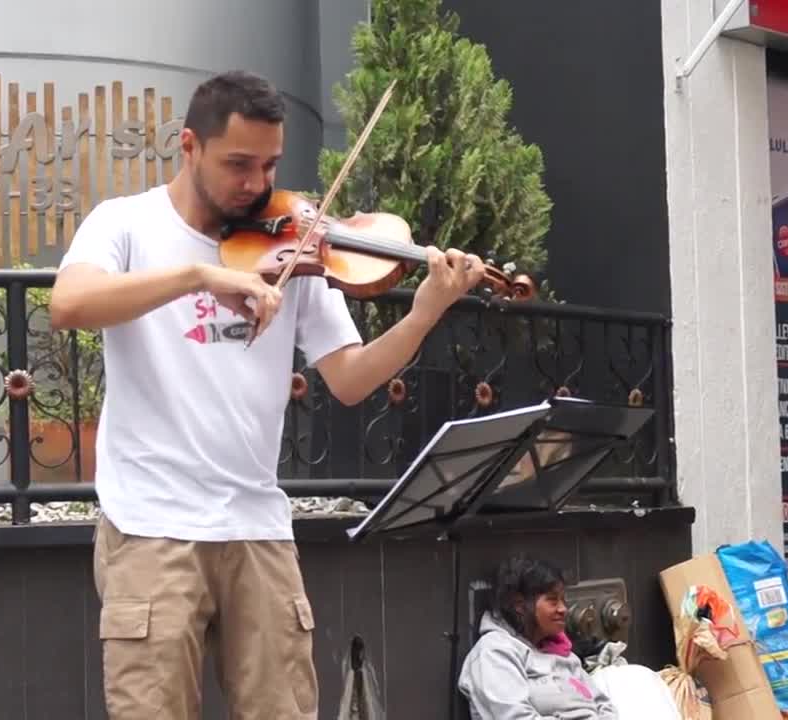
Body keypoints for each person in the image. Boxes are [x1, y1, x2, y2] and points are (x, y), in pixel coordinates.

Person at [49, 69, 485, 719]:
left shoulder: (295, 241)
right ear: (189, 146)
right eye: (238, 165)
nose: (257, 185)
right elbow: (70, 303)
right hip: (149, 528)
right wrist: (199, 274)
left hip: (258, 529)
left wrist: (424, 312)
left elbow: (351, 377)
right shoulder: (125, 225)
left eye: (270, 165)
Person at [457, 556, 618, 720]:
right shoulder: (494, 652)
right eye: (552, 601)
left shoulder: (562, 653)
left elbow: (603, 704)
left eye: (563, 600)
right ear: (519, 605)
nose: (563, 609)